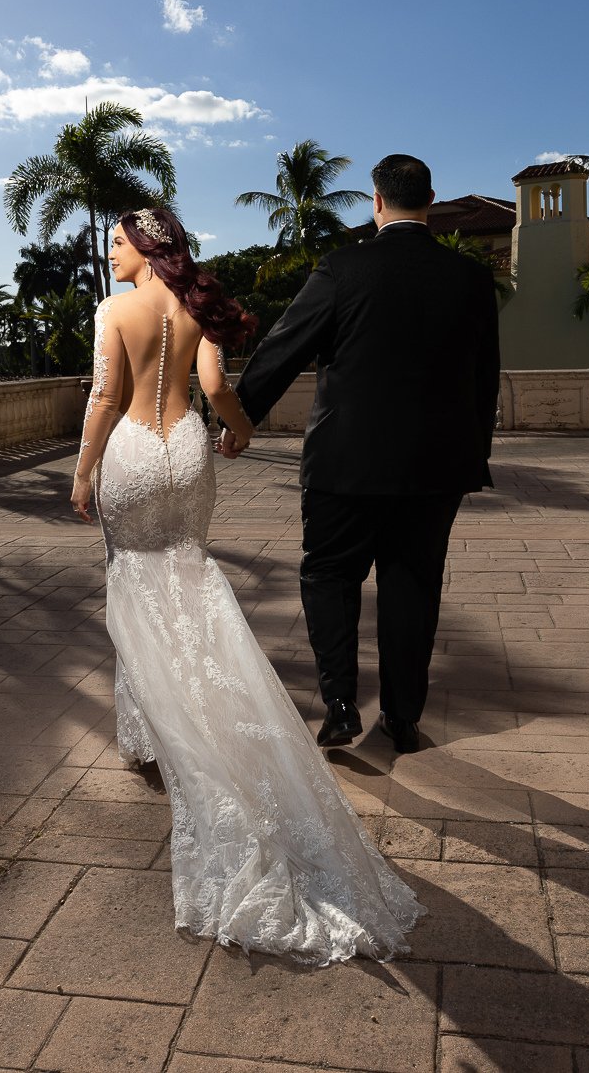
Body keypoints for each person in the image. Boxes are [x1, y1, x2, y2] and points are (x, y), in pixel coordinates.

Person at [70, 205, 423, 965]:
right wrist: (242, 431)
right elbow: (215, 385)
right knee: (189, 579)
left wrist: (82, 470)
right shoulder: (195, 311)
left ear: (145, 249)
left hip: (133, 450)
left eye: (118, 243)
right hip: (188, 450)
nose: (112, 253)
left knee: (135, 581)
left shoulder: (114, 309)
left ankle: (156, 729)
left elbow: (103, 399)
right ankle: (188, 711)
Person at [226, 153, 501, 755]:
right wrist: (470, 456)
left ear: (376, 201)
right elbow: (486, 379)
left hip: (343, 465)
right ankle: (403, 718)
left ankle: (341, 704)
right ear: (429, 201)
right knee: (413, 587)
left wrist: (236, 417)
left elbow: (282, 349)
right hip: (434, 469)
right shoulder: (470, 279)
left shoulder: (342, 270)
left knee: (329, 575)